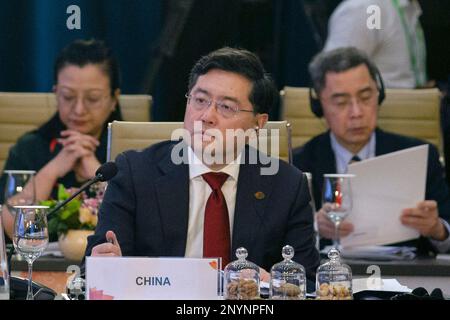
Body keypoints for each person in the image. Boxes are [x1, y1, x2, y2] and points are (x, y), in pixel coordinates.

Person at [85, 47, 320, 282]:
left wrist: (272, 283)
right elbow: (93, 272)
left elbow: (308, 282)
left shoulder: (287, 186)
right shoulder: (134, 173)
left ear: (258, 124)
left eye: (226, 107)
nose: (206, 116)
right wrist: (102, 265)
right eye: (200, 100)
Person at [293, 47, 450, 253]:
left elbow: (446, 232)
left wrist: (437, 229)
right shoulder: (298, 164)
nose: (356, 112)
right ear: (319, 105)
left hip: (407, 276)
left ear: (380, 95)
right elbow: (279, 243)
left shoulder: (420, 156)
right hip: (329, 278)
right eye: (341, 102)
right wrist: (314, 227)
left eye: (366, 97)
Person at [0, 39, 123, 239]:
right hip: (38, 266)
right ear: (56, 93)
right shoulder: (29, 148)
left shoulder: (130, 151)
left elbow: (142, 227)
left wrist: (97, 173)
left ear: (113, 99)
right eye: (68, 97)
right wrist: (52, 171)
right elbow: (8, 228)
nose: (79, 109)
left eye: (92, 98)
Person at [324, 0, 427, 88]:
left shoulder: (407, 6)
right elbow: (336, 79)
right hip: (384, 109)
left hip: (410, 105)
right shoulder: (368, 9)